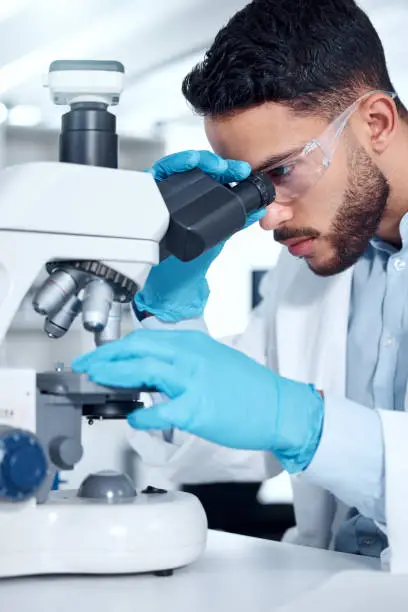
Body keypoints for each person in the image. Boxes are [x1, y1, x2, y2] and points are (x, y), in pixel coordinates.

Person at [72, 0, 408, 570]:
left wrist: (307, 422)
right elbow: (221, 443)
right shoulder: (310, 267)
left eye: (281, 172)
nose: (269, 218)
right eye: (252, 189)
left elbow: (287, 419)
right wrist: (168, 307)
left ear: (375, 122)